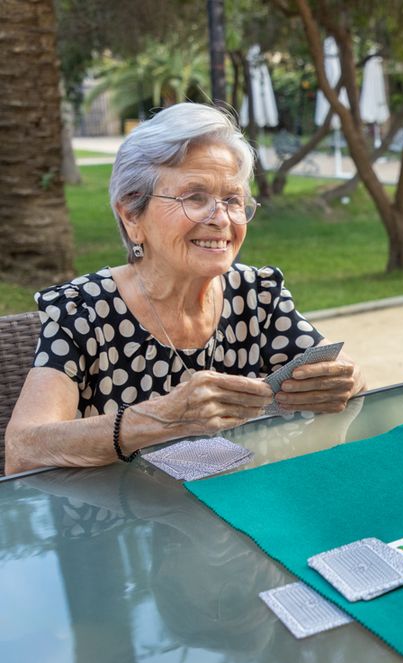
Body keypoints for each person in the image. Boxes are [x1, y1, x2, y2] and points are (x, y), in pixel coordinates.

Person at [4, 103, 366, 475]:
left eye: (233, 200)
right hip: (122, 510)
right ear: (132, 215)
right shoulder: (82, 310)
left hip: (236, 498)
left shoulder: (258, 296)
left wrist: (347, 379)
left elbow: (340, 372)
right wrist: (159, 419)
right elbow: (24, 448)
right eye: (194, 197)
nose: (221, 218)